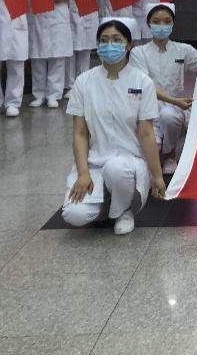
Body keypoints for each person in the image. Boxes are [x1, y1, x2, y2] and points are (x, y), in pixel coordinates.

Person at [61, 17, 165, 235]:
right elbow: (80, 133)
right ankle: (107, 204)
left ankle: (124, 210)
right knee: (75, 216)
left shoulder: (142, 82)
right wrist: (83, 173)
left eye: (117, 40)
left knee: (117, 168)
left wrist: (157, 176)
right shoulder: (84, 81)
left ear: (128, 45)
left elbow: (146, 133)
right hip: (95, 162)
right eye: (104, 40)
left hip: (128, 163)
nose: (110, 45)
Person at [129, 4, 197, 175]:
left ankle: (170, 155)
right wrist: (174, 101)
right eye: (156, 21)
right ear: (148, 24)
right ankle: (161, 151)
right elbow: (146, 86)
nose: (162, 26)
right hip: (147, 110)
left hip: (176, 111)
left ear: (173, 24)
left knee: (169, 116)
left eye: (167, 21)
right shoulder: (138, 53)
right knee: (149, 152)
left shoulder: (184, 50)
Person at [28, 0, 75, 109]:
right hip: (37, 18)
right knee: (38, 58)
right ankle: (39, 94)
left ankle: (54, 95)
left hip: (58, 17)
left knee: (57, 58)